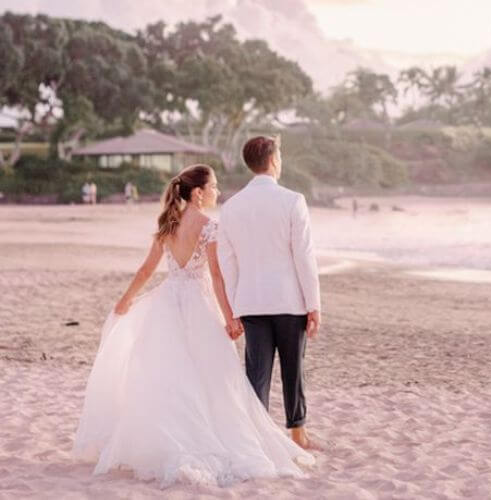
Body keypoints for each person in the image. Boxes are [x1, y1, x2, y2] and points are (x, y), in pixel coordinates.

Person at [72, 164, 313, 487]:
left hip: (169, 303)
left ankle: (172, 440)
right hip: (199, 307)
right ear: (198, 193)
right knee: (214, 377)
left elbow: (146, 271)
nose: (217, 191)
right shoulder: (208, 227)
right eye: (213, 186)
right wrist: (230, 317)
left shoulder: (167, 224)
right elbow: (216, 277)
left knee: (171, 377)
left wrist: (125, 300)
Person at [218, 136, 321, 451]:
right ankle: (298, 434)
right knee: (294, 369)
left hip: (250, 301)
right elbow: (304, 256)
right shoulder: (293, 200)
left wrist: (234, 308)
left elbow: (228, 261)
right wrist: (313, 304)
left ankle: (256, 437)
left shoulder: (232, 206)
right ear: (274, 161)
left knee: (256, 373)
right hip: (289, 300)